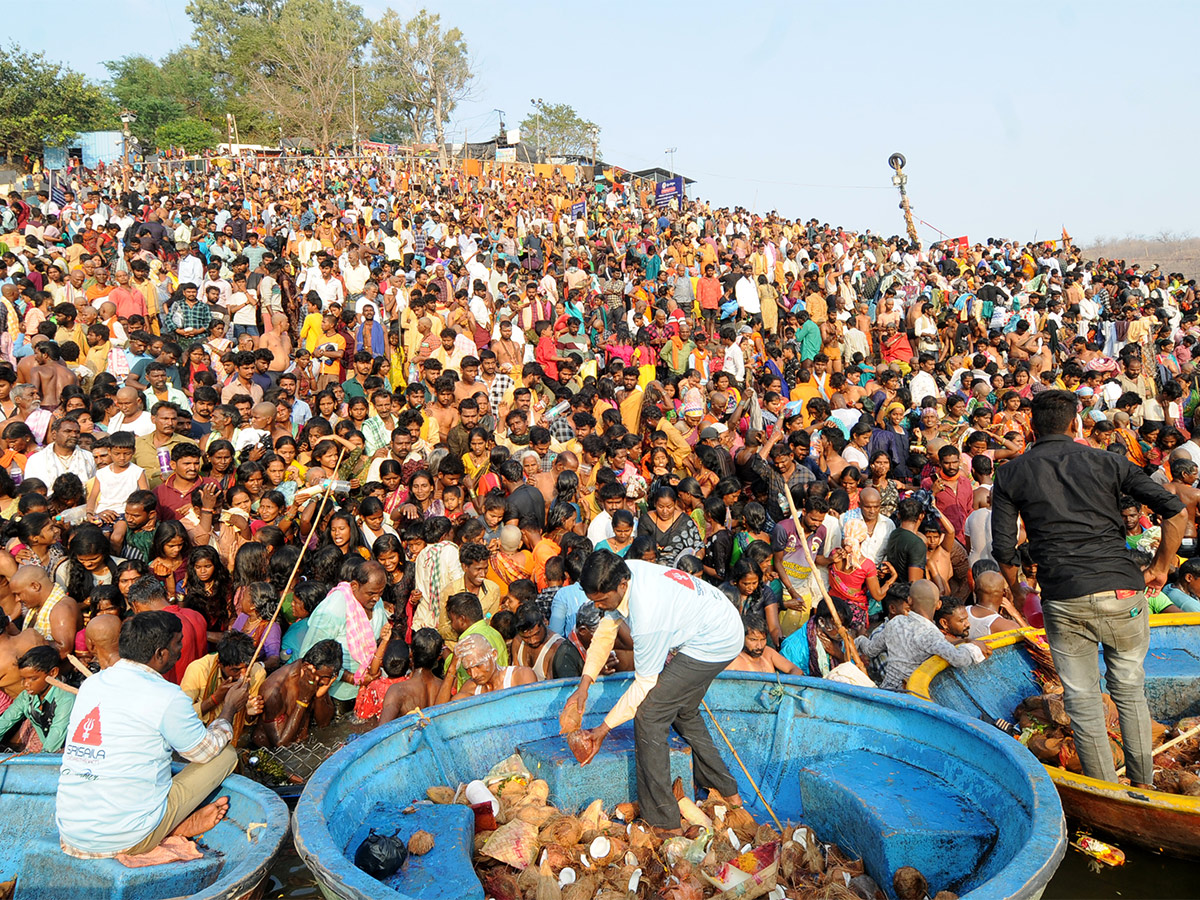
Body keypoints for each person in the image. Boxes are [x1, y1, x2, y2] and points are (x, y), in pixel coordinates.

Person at [992, 389, 1186, 789]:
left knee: (1082, 700)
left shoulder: (1011, 473)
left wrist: (1015, 591)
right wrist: (1160, 569)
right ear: (1074, 424)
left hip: (1064, 596)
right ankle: (1143, 786)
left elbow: (1004, 550)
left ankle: (1108, 794)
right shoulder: (1110, 461)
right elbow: (1176, 513)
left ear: (1031, 426)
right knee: (1130, 689)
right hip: (1122, 591)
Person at [562, 552, 744, 833]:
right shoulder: (625, 570)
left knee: (650, 715)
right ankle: (724, 789)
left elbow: (644, 685)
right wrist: (585, 683)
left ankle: (663, 821)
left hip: (715, 641)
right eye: (594, 601)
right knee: (682, 710)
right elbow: (606, 632)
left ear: (621, 585)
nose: (598, 607)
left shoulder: (647, 616)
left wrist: (603, 729)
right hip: (717, 623)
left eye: (601, 601)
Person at [56, 610, 258, 858]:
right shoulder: (167, 695)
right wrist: (228, 708)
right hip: (126, 838)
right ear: (160, 654)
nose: (181, 650)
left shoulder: (92, 684)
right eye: (178, 643)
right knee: (225, 754)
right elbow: (204, 752)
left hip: (70, 833)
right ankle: (175, 826)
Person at [855, 579, 991, 691]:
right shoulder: (930, 634)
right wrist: (974, 648)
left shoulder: (895, 622)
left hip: (887, 690)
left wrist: (858, 639)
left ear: (909, 600)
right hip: (910, 694)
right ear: (938, 605)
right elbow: (960, 660)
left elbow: (870, 650)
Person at [298, 559, 390, 711]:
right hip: (339, 695)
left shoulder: (375, 600)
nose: (377, 598)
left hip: (369, 686)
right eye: (371, 593)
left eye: (380, 593)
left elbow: (380, 634)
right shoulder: (333, 609)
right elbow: (309, 656)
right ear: (354, 586)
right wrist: (352, 678)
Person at [252, 638, 342, 747]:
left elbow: (323, 725)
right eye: (324, 677)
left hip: (301, 742)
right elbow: (280, 744)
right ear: (306, 667)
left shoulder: (316, 677)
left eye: (329, 677)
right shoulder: (275, 690)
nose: (325, 681)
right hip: (270, 752)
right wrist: (303, 700)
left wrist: (320, 696)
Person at [0, 644, 74, 752]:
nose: (26, 684)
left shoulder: (66, 699)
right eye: (24, 679)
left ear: (53, 673)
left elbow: (55, 737)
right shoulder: (27, 696)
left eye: (33, 679)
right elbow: (5, 721)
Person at [436, 631, 535, 702]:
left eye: (478, 665)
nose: (474, 675)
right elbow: (440, 715)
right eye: (468, 670)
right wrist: (451, 670)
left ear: (494, 655)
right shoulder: (470, 688)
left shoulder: (521, 676)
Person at [378, 627, 444, 725]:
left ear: (410, 653)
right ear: (439, 657)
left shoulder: (397, 691)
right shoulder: (443, 687)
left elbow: (382, 733)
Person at [511, 601, 584, 681]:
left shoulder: (556, 648)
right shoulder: (517, 642)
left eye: (536, 634)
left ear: (545, 622)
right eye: (526, 637)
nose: (532, 641)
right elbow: (514, 677)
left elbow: (551, 689)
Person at [725, 612, 800, 675]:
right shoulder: (734, 661)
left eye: (763, 640)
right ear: (742, 637)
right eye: (753, 640)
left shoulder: (768, 653)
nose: (759, 646)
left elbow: (796, 670)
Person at [966, 570, 1020, 639]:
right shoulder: (1009, 627)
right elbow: (1033, 642)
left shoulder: (959, 614)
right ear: (1004, 593)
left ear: (974, 589)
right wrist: (1016, 615)